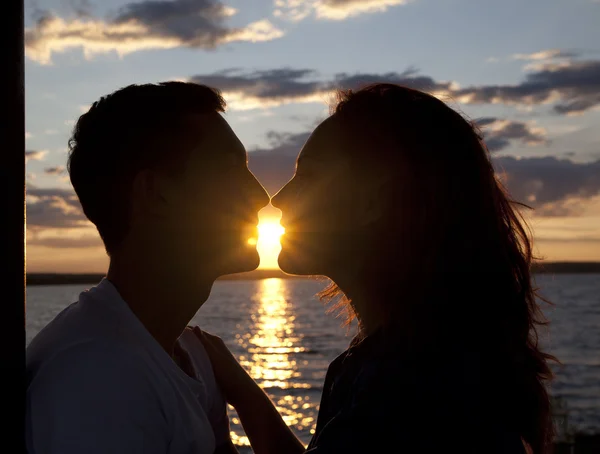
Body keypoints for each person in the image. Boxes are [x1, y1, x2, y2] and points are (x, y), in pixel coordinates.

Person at [198, 83, 558, 454]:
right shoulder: (420, 357)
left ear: (372, 201)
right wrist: (241, 390)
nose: (278, 197)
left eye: (308, 176)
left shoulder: (416, 383)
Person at [26, 82, 269, 454]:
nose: (261, 195)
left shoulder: (190, 352)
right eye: (232, 168)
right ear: (156, 193)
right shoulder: (97, 379)